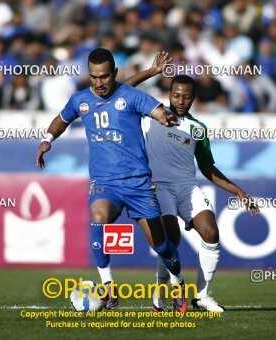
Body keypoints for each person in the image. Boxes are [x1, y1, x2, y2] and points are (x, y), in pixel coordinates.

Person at [35, 48, 188, 312]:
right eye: (94, 77)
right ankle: (108, 288)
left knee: (162, 246)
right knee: (98, 217)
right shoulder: (80, 100)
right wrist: (47, 140)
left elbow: (155, 110)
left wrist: (164, 117)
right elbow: (61, 120)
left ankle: (177, 283)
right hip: (106, 182)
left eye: (104, 77)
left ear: (114, 73)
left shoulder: (130, 95)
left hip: (139, 183)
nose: (99, 82)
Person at [124, 53, 259, 312]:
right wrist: (152, 71)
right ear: (169, 94)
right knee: (170, 239)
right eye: (176, 95)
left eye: (186, 96)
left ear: (194, 98)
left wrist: (239, 191)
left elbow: (208, 168)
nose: (181, 100)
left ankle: (202, 295)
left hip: (187, 187)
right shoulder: (150, 116)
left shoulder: (197, 128)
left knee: (211, 232)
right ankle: (161, 293)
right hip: (158, 186)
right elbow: (123, 92)